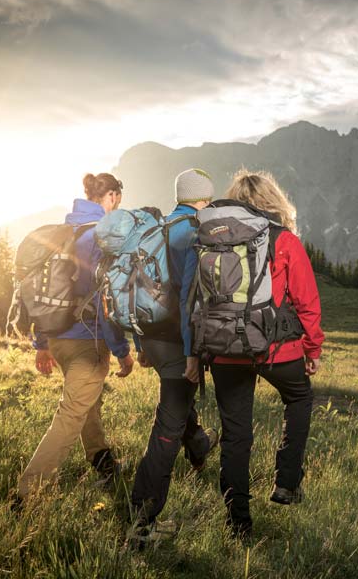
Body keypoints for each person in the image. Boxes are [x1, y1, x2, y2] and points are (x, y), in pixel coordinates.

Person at [210, 169, 325, 539]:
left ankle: (238, 523)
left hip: (225, 346)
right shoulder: (284, 239)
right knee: (299, 397)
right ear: (274, 200)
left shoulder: (213, 240)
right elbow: (307, 302)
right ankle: (287, 482)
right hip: (275, 347)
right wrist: (312, 348)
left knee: (235, 434)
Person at [14, 173, 134, 505]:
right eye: (116, 202)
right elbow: (105, 302)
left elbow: (40, 292)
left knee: (86, 401)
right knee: (71, 413)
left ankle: (101, 459)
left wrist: (41, 344)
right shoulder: (100, 238)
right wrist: (122, 351)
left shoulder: (61, 233)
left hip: (57, 340)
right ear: (110, 196)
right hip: (86, 341)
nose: (115, 209)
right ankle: (28, 492)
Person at [130, 168, 218, 535]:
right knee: (168, 426)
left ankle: (198, 445)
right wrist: (191, 354)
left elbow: (134, 287)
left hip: (148, 335)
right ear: (203, 200)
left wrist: (139, 345)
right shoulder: (193, 234)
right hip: (175, 342)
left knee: (179, 402)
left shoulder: (154, 228)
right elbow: (189, 301)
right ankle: (141, 523)